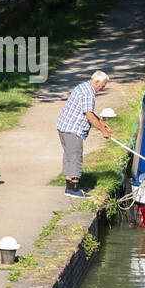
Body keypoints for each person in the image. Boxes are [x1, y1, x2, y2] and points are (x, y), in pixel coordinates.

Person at [55, 70, 111, 198]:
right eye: (102, 85)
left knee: (69, 156)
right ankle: (74, 189)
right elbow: (89, 115)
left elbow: (88, 111)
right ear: (96, 81)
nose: (102, 88)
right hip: (73, 129)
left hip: (64, 127)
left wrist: (101, 122)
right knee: (75, 157)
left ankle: (69, 187)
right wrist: (103, 131)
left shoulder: (83, 87)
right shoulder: (88, 93)